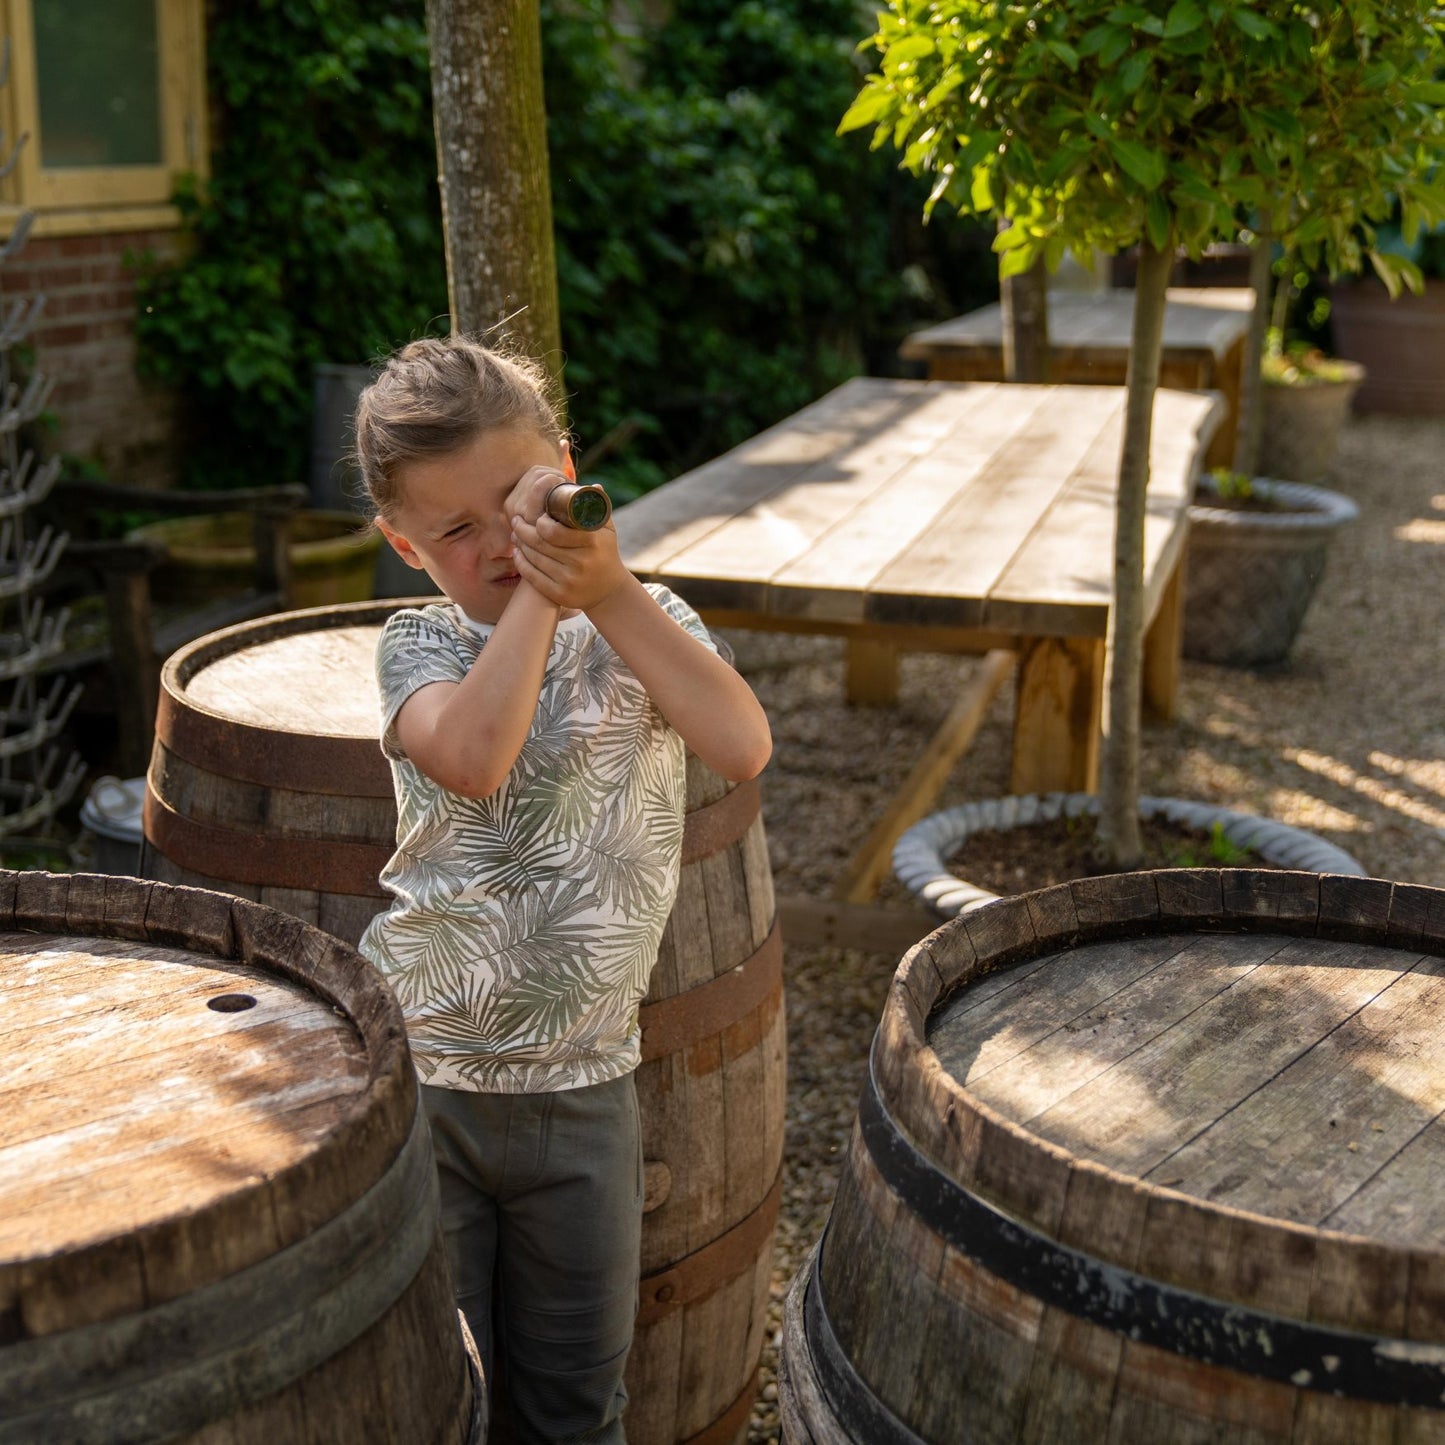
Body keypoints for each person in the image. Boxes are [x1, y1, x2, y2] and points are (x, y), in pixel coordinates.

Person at [353, 335, 772, 1443]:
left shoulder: (650, 622)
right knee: (442, 1399)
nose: (498, 542)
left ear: (568, 471)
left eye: (518, 501)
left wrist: (609, 585)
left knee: (577, 1403)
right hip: (426, 1084)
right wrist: (546, 591)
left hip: (585, 1089)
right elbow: (474, 755)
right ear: (404, 545)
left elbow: (739, 743)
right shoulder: (417, 647)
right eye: (455, 529)